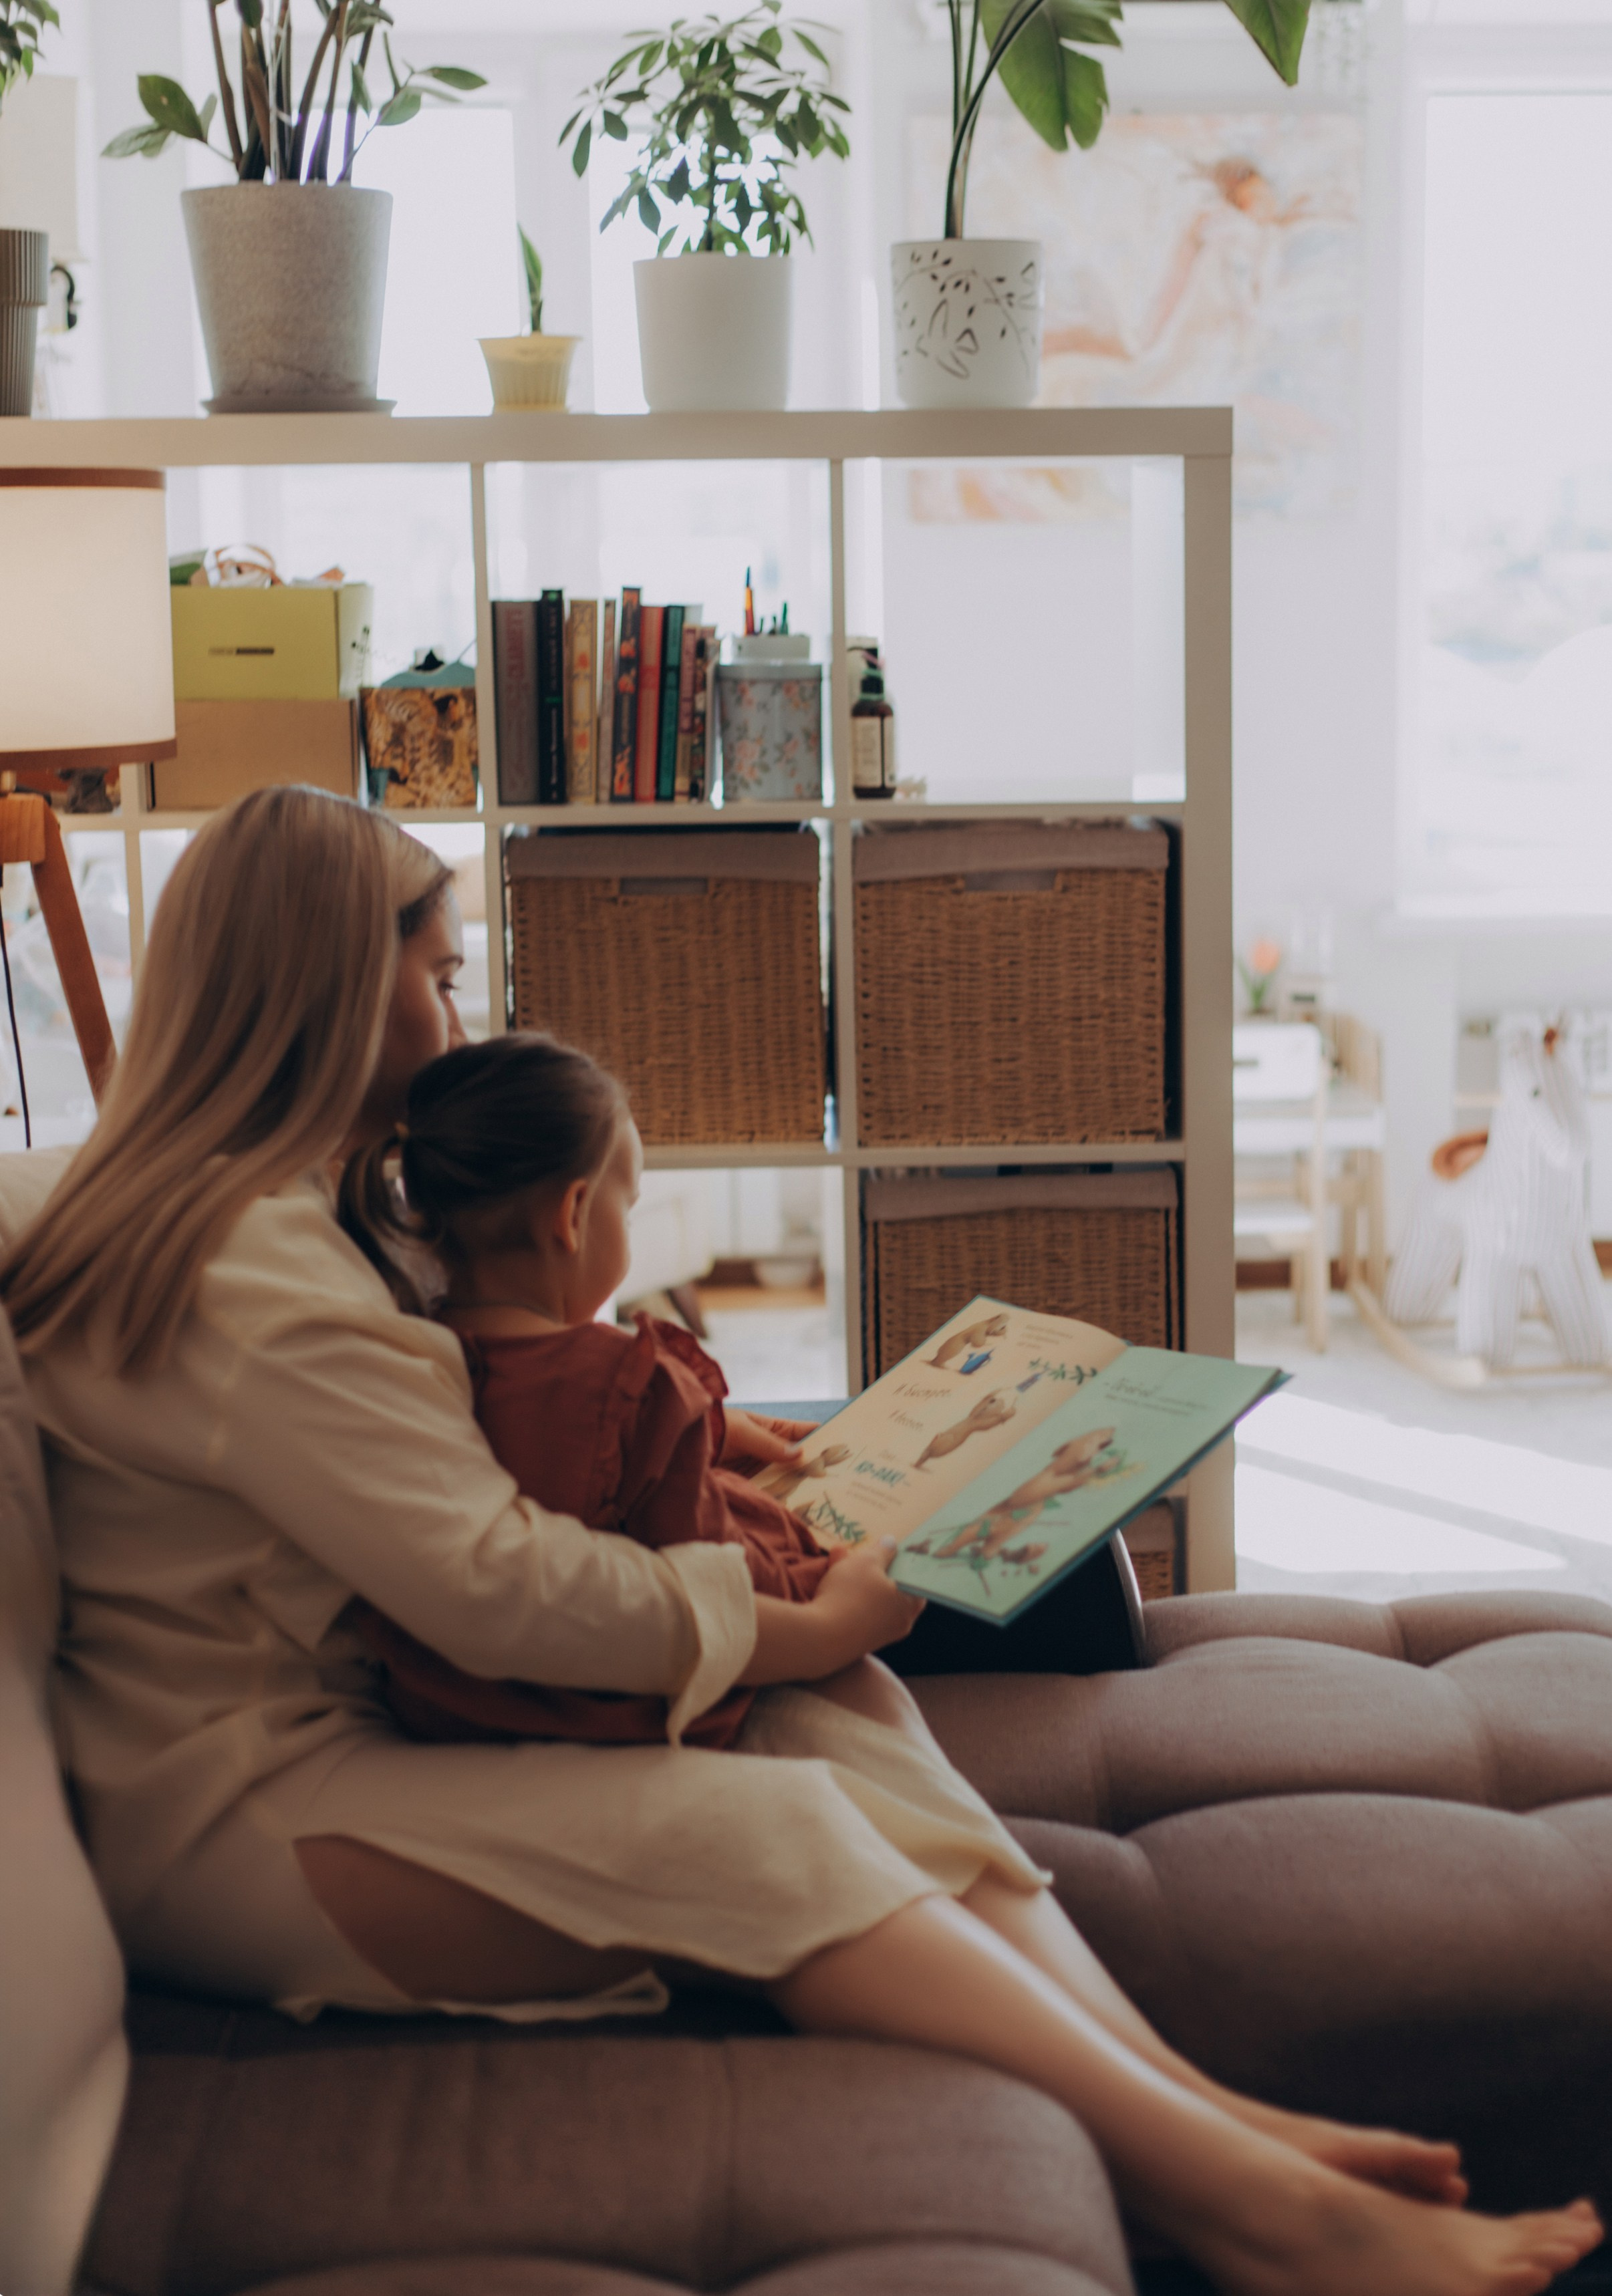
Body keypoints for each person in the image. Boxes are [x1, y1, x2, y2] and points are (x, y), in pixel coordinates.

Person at [0, 787, 1598, 2296]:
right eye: (439, 974)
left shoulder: (318, 1205)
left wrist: (721, 1453)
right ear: (338, 992)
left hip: (359, 1718)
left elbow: (475, 1412)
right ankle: (1263, 2209)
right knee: (773, 1804)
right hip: (246, 1811)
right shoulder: (249, 1271)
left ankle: (1198, 2107)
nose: (459, 1016)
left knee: (842, 1711)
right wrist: (810, 1618)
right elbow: (492, 1586)